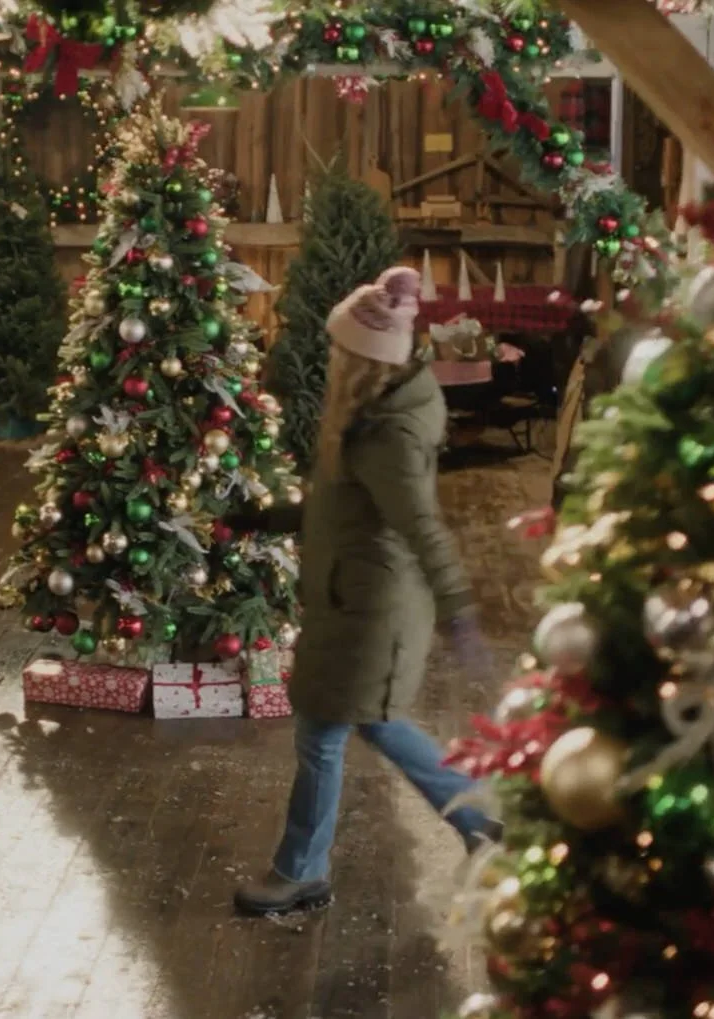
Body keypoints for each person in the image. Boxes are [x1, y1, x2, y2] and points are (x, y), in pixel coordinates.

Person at [231, 265, 497, 917]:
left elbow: (423, 528)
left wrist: (461, 612)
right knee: (361, 727)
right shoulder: (362, 417)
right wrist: (267, 520)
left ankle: (304, 870)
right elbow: (339, 509)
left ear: (361, 357)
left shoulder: (386, 437)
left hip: (372, 613)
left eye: (340, 348)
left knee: (338, 730)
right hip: (351, 601)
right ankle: (479, 822)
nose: (331, 356)